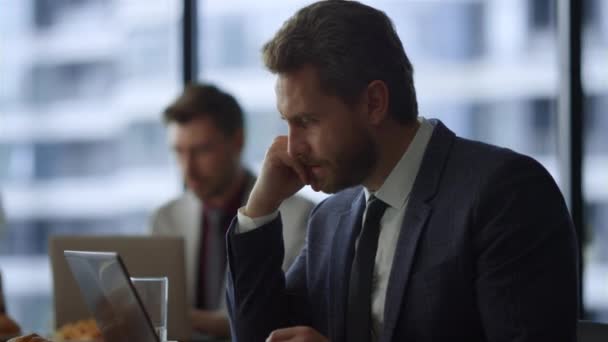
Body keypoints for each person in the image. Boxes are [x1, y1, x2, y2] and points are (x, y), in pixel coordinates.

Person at [225, 1, 579, 342]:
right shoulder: (330, 219)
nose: (292, 148)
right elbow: (262, 335)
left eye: (307, 121)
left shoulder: (505, 193)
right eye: (288, 123)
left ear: (374, 103)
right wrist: (259, 209)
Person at [150, 84, 314, 338]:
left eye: (201, 150)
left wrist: (178, 316)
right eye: (179, 152)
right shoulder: (166, 218)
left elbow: (278, 316)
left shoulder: (301, 216)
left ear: (237, 142)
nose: (188, 169)